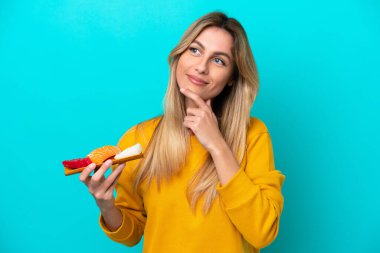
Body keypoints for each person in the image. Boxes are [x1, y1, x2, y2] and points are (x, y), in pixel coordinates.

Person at [80, 11, 285, 253]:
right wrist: (106, 206)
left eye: (219, 60)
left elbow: (262, 232)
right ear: (179, 56)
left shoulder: (252, 135)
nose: (201, 67)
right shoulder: (137, 139)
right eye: (195, 50)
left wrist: (217, 146)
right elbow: (132, 233)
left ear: (232, 78)